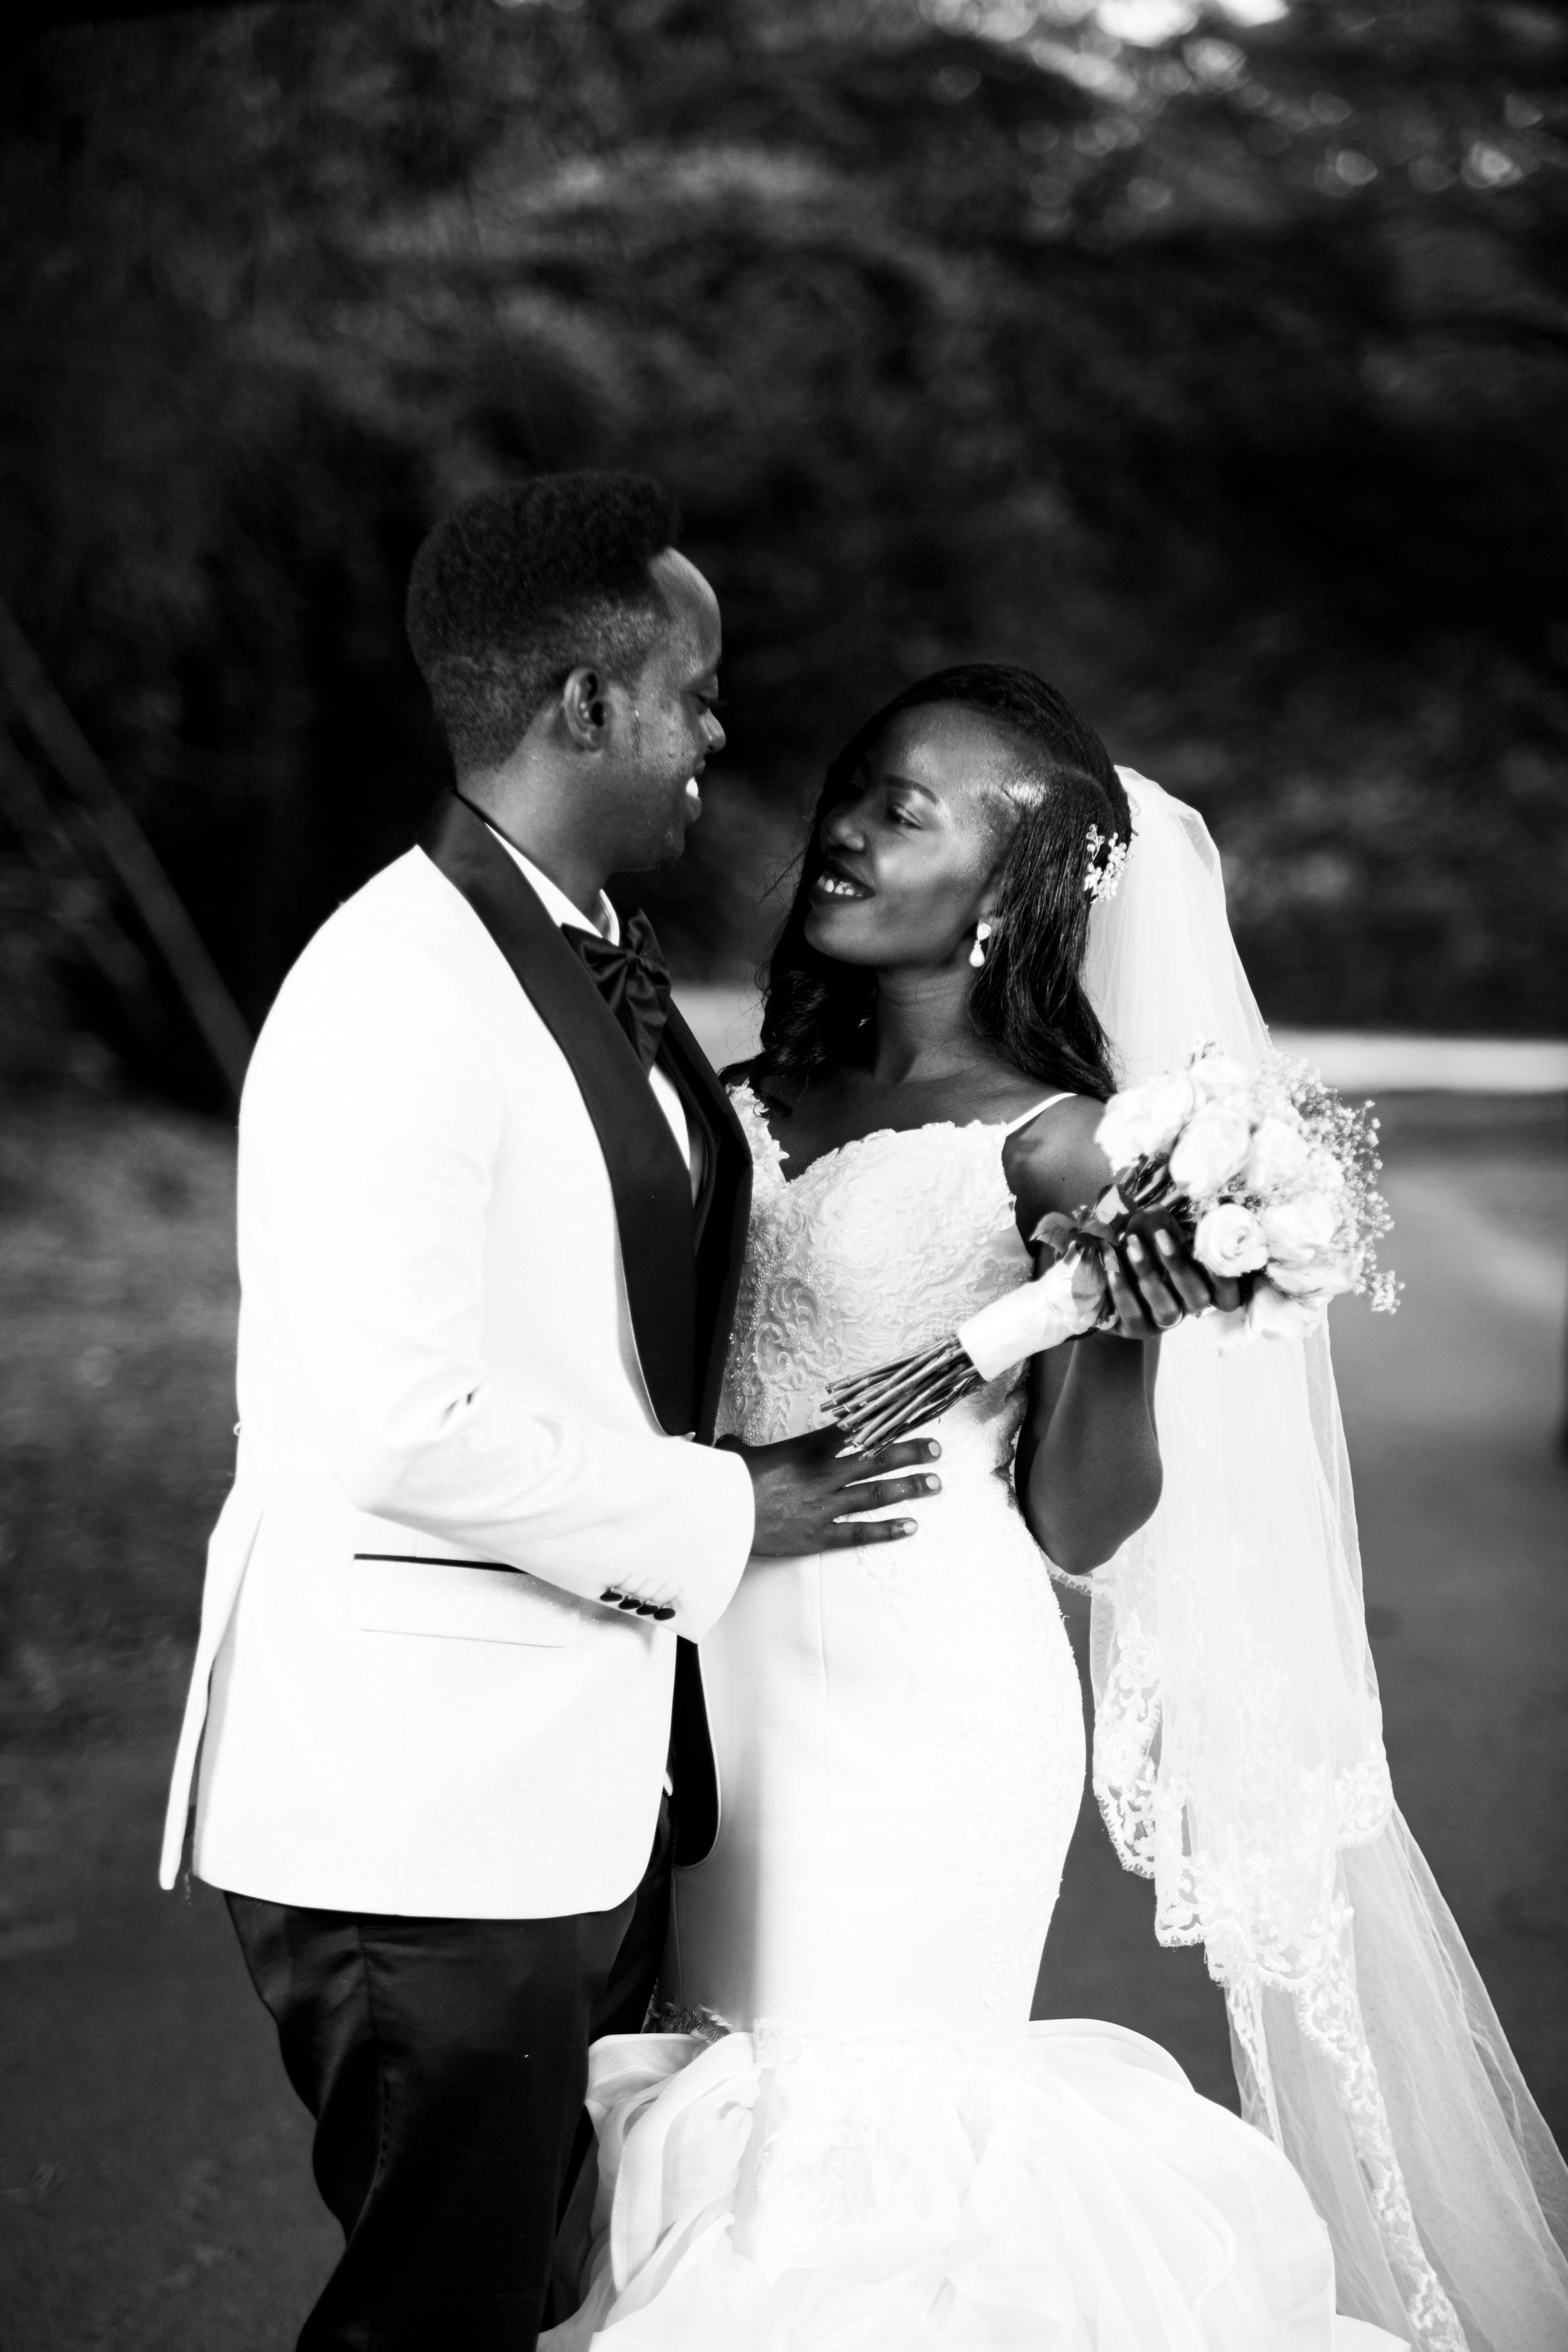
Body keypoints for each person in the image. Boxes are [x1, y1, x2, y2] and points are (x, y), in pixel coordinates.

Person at [545, 667, 1568, 2350]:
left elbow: (1083, 1528)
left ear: (1018, 890)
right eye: (855, 790)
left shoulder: (1071, 1150)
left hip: (919, 1699)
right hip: (708, 1673)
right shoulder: (734, 1099)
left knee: (853, 2141)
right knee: (717, 2091)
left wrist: (1128, 1329)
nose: (848, 831)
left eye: (906, 811)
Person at [156, 473, 942, 2352]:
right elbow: (400, 1420)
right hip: (419, 1816)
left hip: (568, 1783)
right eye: (696, 694)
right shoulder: (397, 991)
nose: (717, 735)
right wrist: (728, 1510)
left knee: (543, 2300)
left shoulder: (575, 955)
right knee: (442, 2314)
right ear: (587, 704)